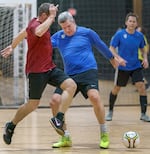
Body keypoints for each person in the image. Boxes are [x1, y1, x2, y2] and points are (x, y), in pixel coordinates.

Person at [1, 3, 77, 145]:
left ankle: (58, 118)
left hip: (49, 68)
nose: (52, 20)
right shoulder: (35, 25)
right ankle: (11, 125)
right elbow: (38, 32)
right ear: (43, 16)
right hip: (36, 71)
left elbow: (21, 34)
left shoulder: (40, 23)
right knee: (32, 105)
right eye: (49, 16)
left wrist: (12, 46)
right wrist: (52, 16)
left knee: (71, 85)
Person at [48, 11, 126, 149]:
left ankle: (104, 133)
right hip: (70, 75)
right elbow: (44, 44)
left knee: (94, 97)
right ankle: (64, 137)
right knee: (54, 101)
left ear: (73, 22)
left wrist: (112, 58)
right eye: (64, 28)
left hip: (88, 71)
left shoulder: (87, 32)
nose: (67, 30)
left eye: (69, 26)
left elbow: (100, 44)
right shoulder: (59, 37)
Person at [105, 12, 150, 122]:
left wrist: (145, 58)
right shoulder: (119, 34)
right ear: (126, 22)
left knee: (142, 87)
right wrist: (118, 58)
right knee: (116, 89)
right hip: (122, 67)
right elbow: (111, 48)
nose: (132, 23)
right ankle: (110, 111)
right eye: (130, 21)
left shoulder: (139, 36)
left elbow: (143, 49)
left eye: (134, 21)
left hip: (135, 66)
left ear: (136, 24)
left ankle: (143, 114)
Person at [136, 26, 150, 91]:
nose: (137, 31)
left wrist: (144, 55)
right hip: (137, 58)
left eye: (138, 30)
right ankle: (141, 86)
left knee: (142, 73)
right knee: (139, 74)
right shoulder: (136, 37)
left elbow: (146, 47)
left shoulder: (142, 38)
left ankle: (146, 85)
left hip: (141, 58)